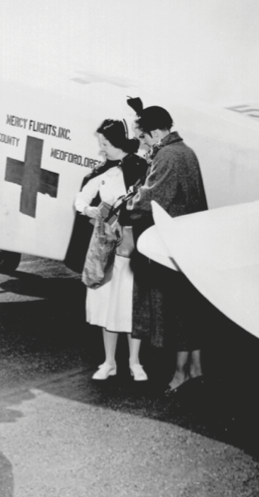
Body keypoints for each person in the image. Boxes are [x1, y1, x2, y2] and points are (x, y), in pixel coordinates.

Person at [122, 98, 209, 394]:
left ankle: (180, 374)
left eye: (143, 137)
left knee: (177, 312)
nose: (142, 144)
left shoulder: (168, 155)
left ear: (156, 133)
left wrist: (126, 204)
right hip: (188, 240)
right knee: (189, 309)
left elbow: (151, 197)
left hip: (173, 244)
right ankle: (196, 368)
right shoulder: (185, 151)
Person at [75, 119, 148, 381]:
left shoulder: (143, 168)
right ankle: (109, 362)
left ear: (116, 143)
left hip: (132, 250)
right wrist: (89, 210)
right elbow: (81, 198)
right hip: (105, 248)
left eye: (104, 143)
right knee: (107, 305)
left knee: (129, 304)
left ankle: (135, 362)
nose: (101, 149)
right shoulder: (103, 173)